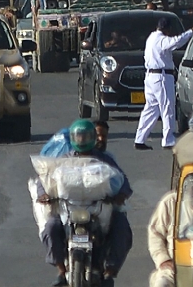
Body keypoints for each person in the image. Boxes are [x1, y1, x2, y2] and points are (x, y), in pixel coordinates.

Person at [39, 119, 133, 287]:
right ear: (73, 138)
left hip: (98, 209)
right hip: (69, 210)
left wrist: (121, 194)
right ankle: (61, 271)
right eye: (78, 136)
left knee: (121, 226)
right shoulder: (63, 159)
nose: (82, 140)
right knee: (50, 227)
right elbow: (44, 178)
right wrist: (44, 194)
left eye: (85, 136)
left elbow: (122, 179)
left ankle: (110, 273)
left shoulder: (105, 160)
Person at [134, 17, 193, 150]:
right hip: (161, 76)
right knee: (167, 107)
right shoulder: (161, 39)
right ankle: (168, 139)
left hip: (151, 77)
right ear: (167, 29)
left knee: (151, 109)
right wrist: (191, 31)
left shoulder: (151, 37)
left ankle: (140, 139)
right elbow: (177, 42)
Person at [148, 189, 176, 287]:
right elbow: (155, 233)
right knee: (162, 283)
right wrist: (163, 260)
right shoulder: (171, 201)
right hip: (175, 268)